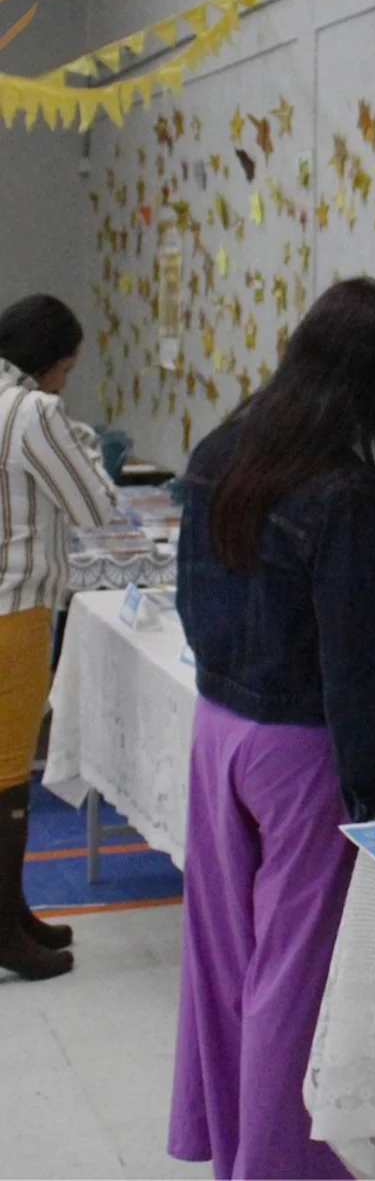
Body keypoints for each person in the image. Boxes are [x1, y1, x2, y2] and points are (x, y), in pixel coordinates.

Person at [171, 278, 375, 1179]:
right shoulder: (347, 492)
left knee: (225, 955)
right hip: (300, 750)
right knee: (294, 973)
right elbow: (356, 665)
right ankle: (278, 1165)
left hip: (217, 727)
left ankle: (235, 1144)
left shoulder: (218, 449)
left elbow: (189, 601)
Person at [0, 294, 118, 981]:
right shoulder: (34, 411)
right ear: (50, 361)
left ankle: (12, 912)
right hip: (14, 608)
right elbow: (95, 504)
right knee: (10, 775)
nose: (65, 382)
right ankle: (7, 930)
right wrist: (82, 439)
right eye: (67, 368)